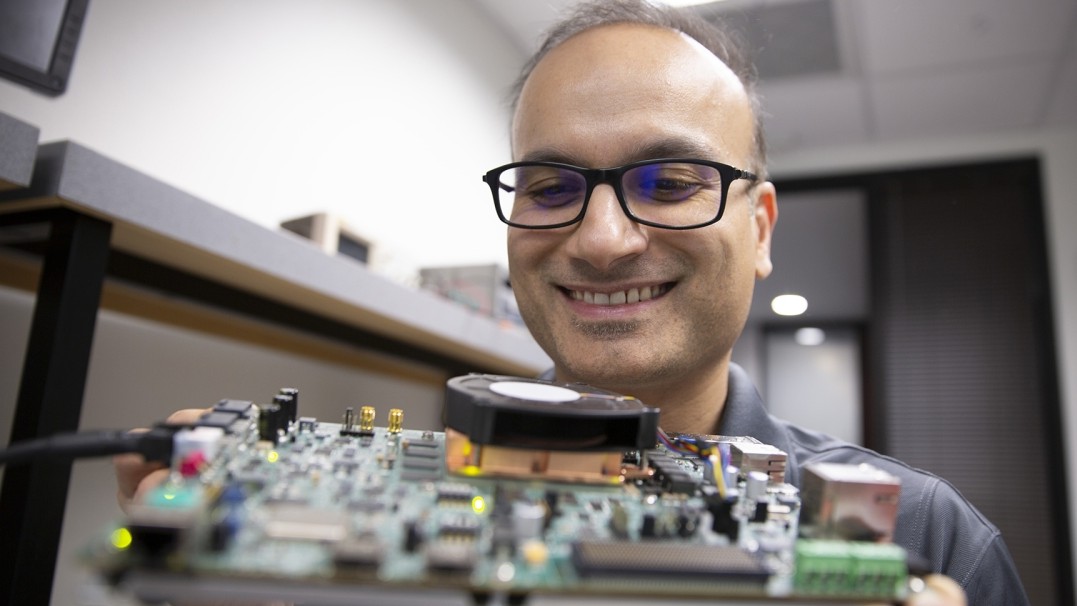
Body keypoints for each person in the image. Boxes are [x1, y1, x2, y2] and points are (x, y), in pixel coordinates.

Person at [117, 1, 1027, 604]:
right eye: (550, 188)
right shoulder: (360, 520)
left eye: (670, 182)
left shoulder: (929, 539)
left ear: (759, 229)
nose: (600, 240)